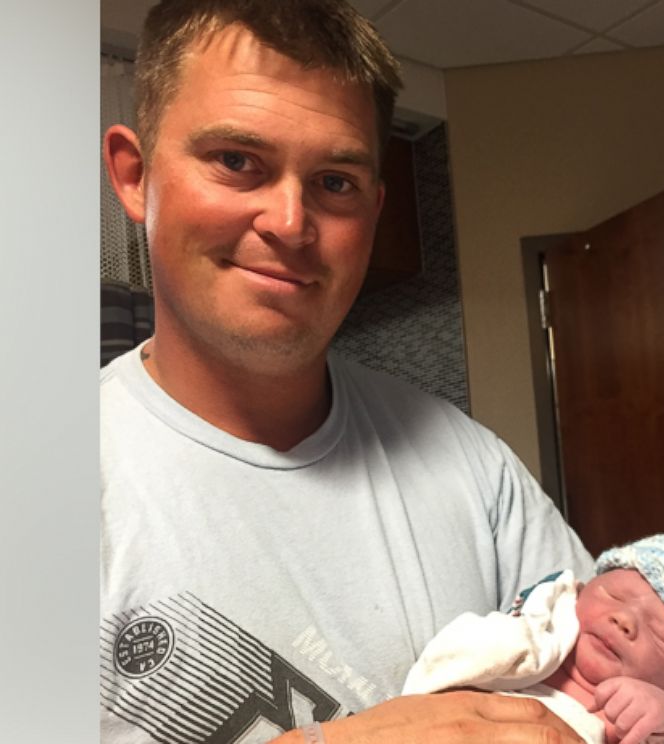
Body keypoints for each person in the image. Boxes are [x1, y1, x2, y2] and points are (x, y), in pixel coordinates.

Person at [100, 1, 593, 742]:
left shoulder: (473, 468)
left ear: (374, 209)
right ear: (135, 176)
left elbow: (616, 697)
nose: (291, 223)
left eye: (335, 182)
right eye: (237, 161)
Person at [402, 531, 664, 744]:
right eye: (614, 595)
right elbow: (444, 667)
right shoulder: (528, 645)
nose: (625, 620)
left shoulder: (661, 717)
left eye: (660, 634)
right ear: (585, 588)